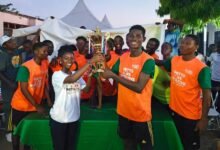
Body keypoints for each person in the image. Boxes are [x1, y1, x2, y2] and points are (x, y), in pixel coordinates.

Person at [102, 25, 155, 150]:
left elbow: (139, 87)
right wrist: (100, 60)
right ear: (127, 39)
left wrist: (115, 77)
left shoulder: (148, 60)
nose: (134, 38)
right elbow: (107, 73)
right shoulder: (123, 58)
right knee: (128, 144)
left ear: (144, 39)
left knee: (145, 147)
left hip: (140, 114)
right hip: (123, 111)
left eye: (138, 36)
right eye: (131, 35)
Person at [162, 35, 211, 150]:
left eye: (188, 43)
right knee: (176, 143)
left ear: (196, 47)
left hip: (190, 117)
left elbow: (207, 97)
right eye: (182, 42)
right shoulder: (174, 60)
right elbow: (162, 65)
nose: (183, 45)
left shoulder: (201, 68)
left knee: (189, 146)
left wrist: (203, 119)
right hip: (174, 110)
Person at [49, 48, 102, 150]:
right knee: (59, 147)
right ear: (60, 60)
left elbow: (86, 89)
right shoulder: (57, 75)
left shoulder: (75, 74)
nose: (69, 60)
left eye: (71, 58)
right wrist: (90, 62)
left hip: (74, 118)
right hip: (59, 118)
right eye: (66, 58)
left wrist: (90, 75)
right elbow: (71, 80)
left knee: (71, 147)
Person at [10, 42, 51, 150]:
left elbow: (44, 83)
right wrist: (37, 106)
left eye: (47, 51)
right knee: (16, 131)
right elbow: (23, 89)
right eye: (44, 51)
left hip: (33, 106)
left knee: (29, 131)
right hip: (20, 105)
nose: (47, 53)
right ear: (36, 52)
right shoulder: (25, 67)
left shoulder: (45, 63)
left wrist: (48, 100)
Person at [0, 35, 20, 141]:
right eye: (11, 42)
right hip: (8, 87)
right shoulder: (3, 55)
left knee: (16, 107)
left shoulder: (14, 52)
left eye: (14, 41)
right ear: (5, 45)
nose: (14, 43)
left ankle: (14, 129)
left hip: (16, 85)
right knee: (9, 108)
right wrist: (9, 83)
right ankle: (9, 132)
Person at [207, 42, 220, 112]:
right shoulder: (213, 55)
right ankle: (210, 109)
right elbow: (208, 63)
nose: (218, 49)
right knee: (212, 95)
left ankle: (218, 111)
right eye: (218, 47)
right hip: (214, 79)